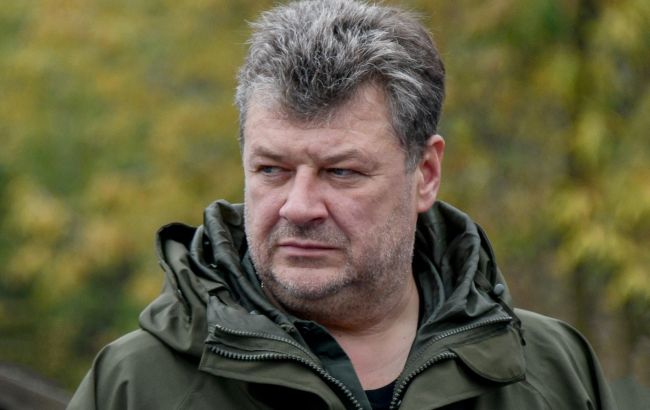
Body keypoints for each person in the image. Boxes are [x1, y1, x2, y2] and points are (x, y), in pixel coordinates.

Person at [67, 1, 617, 409]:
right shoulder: (134, 385)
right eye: (272, 170)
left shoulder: (552, 373)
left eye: (341, 172)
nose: (298, 207)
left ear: (425, 174)